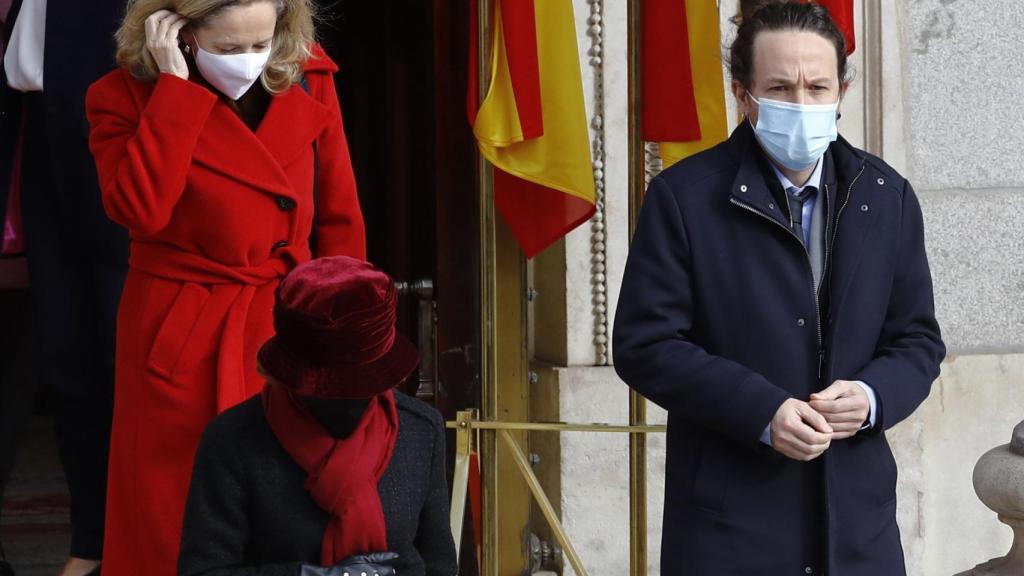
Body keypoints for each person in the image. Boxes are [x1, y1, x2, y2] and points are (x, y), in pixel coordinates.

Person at [613, 2, 945, 574]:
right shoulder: (684, 198)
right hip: (731, 529)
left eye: (818, 86)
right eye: (780, 87)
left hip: (858, 531)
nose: (801, 104)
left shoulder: (887, 196)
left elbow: (917, 340)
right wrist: (762, 410)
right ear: (743, 93)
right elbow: (645, 345)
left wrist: (870, 399)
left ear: (841, 91)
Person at [85, 0, 366, 573]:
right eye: (229, 48)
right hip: (179, 331)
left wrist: (350, 337)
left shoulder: (307, 78)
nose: (250, 61)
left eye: (260, 43)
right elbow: (140, 210)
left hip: (287, 322)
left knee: (286, 504)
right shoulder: (119, 97)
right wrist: (176, 93)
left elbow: (340, 218)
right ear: (178, 34)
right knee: (168, 515)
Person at [178, 256, 457, 576]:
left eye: (357, 387)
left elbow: (439, 566)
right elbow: (202, 571)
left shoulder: (421, 430)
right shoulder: (233, 440)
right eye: (331, 392)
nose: (345, 402)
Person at [2, 0, 129, 573]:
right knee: (68, 357)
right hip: (39, 128)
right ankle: (92, 542)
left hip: (119, 126)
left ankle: (135, 544)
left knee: (122, 352)